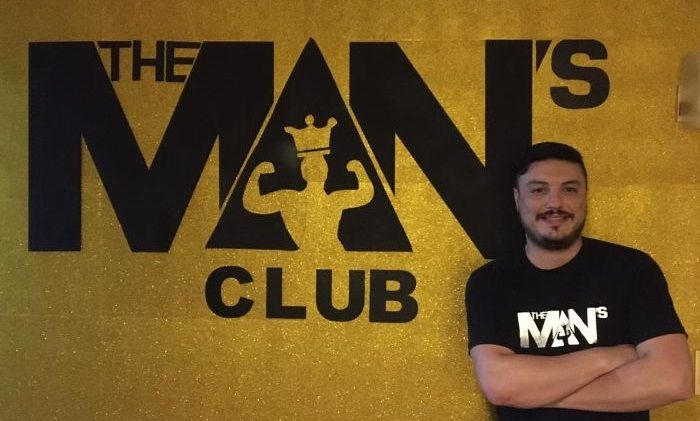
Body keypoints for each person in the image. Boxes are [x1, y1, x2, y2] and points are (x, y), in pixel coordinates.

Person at [465, 142, 693, 420]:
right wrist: (608, 358)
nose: (555, 203)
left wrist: (532, 393)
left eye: (569, 189)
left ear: (585, 196)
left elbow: (674, 380)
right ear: (517, 198)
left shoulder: (633, 269)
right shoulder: (490, 283)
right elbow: (500, 385)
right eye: (539, 190)